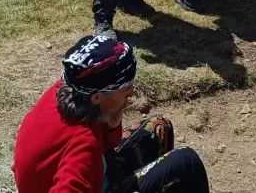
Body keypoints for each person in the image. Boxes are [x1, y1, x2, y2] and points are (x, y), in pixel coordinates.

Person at [13, 35, 209, 193]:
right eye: (125, 89)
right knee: (186, 162)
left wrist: (113, 126)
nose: (131, 93)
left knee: (159, 128)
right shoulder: (83, 146)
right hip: (90, 180)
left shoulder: (66, 91)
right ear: (98, 97)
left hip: (99, 174)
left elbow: (109, 146)